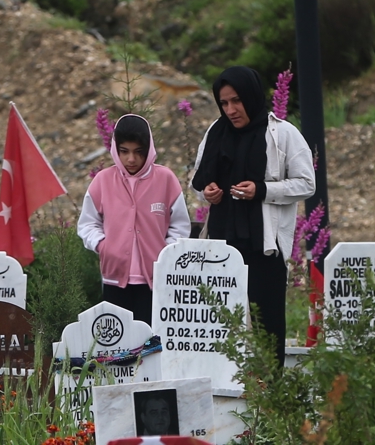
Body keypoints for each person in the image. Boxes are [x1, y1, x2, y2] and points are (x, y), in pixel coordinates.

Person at [191, 66, 315, 366]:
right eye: (224, 103)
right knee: (221, 327)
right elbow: (197, 181)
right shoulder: (215, 133)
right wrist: (206, 193)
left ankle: (273, 396)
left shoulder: (282, 134)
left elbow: (307, 183)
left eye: (237, 101)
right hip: (221, 247)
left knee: (267, 328)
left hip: (264, 248)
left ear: (251, 96)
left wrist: (261, 190)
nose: (231, 110)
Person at [78, 114, 191, 326]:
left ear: (149, 150)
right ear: (115, 149)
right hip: (114, 279)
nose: (131, 159)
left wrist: (165, 252)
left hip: (155, 280)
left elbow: (180, 226)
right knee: (119, 343)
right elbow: (87, 223)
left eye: (139, 152)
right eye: (124, 152)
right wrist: (103, 246)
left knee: (151, 341)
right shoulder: (103, 181)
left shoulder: (166, 179)